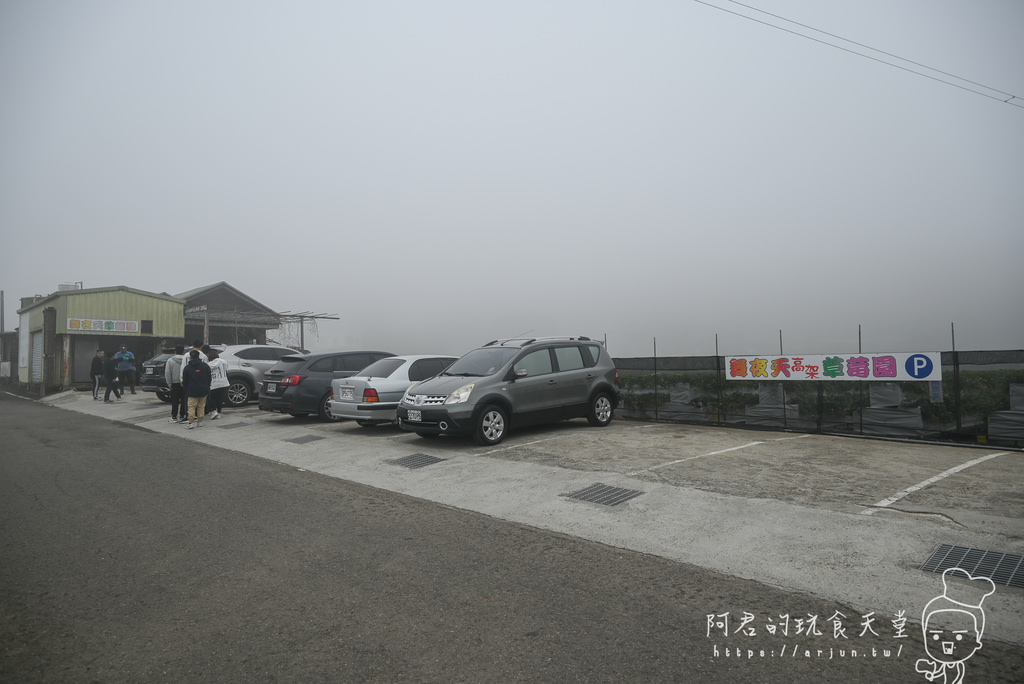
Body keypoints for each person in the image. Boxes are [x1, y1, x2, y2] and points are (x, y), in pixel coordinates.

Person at [182, 349, 212, 429]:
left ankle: (191, 422)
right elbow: (209, 377)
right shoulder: (205, 366)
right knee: (201, 406)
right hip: (204, 389)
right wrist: (207, 386)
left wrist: (186, 387)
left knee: (191, 407)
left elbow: (185, 380)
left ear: (190, 357)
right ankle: (200, 421)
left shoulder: (187, 368)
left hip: (192, 390)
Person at [164, 344, 187, 423]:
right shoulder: (186, 360)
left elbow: (167, 373)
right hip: (184, 383)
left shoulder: (170, 360)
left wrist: (169, 383)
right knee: (184, 400)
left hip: (174, 383)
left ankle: (174, 416)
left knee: (175, 400)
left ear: (175, 351)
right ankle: (182, 415)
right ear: (183, 351)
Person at [206, 349, 229, 419]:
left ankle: (214, 411)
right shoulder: (224, 362)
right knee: (220, 399)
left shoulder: (209, 364)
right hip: (224, 382)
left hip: (214, 383)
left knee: (212, 398)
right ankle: (218, 412)